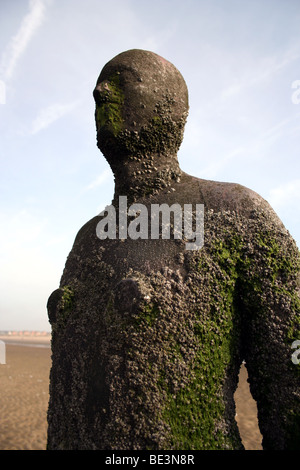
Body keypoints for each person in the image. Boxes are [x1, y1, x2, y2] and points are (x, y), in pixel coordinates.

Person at [47, 49, 300, 450]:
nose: (99, 92)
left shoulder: (234, 212)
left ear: (170, 105)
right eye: (99, 82)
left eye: (121, 80)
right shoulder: (87, 240)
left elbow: (292, 379)